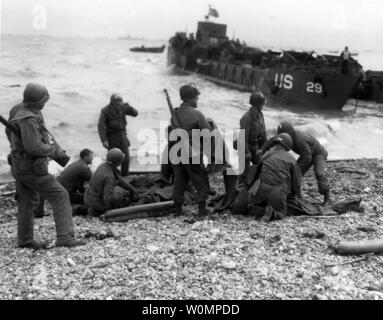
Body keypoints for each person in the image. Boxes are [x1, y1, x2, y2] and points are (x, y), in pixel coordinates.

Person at [7, 83, 85, 249]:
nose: (44, 104)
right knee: (60, 195)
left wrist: (17, 148)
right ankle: (65, 238)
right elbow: (34, 147)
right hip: (31, 168)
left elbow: (10, 134)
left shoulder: (18, 110)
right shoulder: (28, 118)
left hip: (19, 163)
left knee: (27, 200)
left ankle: (25, 240)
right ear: (38, 102)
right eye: (43, 101)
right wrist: (54, 151)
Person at [262, 121, 331, 204]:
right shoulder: (285, 136)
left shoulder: (299, 139)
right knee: (294, 175)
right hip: (306, 154)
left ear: (291, 133)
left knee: (319, 173)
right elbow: (272, 141)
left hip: (318, 153)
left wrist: (297, 170)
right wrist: (261, 150)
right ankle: (296, 196)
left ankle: (327, 199)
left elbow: (307, 157)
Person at [169, 85, 212, 216]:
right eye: (196, 97)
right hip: (192, 152)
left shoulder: (175, 114)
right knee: (200, 179)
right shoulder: (197, 114)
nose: (197, 99)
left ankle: (177, 209)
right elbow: (207, 134)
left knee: (180, 180)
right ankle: (202, 210)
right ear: (190, 98)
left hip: (177, 151)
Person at [248, 133, 301, 221]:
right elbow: (296, 181)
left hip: (260, 189)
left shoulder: (266, 154)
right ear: (287, 146)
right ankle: (272, 213)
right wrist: (297, 196)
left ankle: (259, 210)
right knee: (282, 212)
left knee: (254, 205)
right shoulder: (291, 159)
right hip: (277, 191)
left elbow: (256, 172)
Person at [84, 148, 138, 216]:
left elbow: (119, 179)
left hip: (88, 200)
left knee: (121, 191)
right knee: (121, 192)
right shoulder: (110, 177)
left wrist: (131, 189)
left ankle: (94, 209)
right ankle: (97, 211)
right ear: (118, 163)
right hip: (97, 204)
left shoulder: (103, 166)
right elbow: (108, 198)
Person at [98, 94, 138, 176]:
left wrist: (128, 106)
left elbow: (135, 113)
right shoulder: (105, 110)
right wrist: (104, 140)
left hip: (122, 135)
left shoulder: (123, 107)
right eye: (117, 102)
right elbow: (101, 126)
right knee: (112, 158)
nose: (119, 104)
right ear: (112, 102)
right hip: (111, 136)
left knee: (126, 158)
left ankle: (125, 175)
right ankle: (111, 176)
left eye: (120, 102)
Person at [235, 92, 267, 185]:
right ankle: (240, 190)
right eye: (262, 103)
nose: (263, 105)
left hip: (256, 147)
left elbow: (264, 132)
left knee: (261, 168)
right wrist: (246, 152)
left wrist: (262, 149)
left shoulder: (260, 115)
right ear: (258, 104)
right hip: (246, 147)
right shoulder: (246, 118)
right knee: (243, 174)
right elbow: (242, 137)